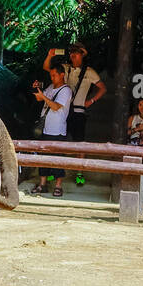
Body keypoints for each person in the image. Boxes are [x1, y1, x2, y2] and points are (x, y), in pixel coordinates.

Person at [42, 42, 105, 186]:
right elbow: (47, 68)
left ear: (83, 54)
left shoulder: (89, 72)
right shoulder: (65, 68)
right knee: (59, 142)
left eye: (76, 51)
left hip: (78, 111)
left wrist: (92, 100)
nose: (73, 54)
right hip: (63, 111)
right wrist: (49, 55)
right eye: (71, 51)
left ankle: (79, 174)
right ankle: (55, 171)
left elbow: (102, 88)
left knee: (79, 144)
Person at [31, 63, 73, 197]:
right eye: (51, 75)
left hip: (57, 130)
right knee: (43, 157)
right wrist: (37, 90)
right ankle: (42, 184)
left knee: (57, 158)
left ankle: (58, 186)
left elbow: (55, 107)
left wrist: (43, 97)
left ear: (62, 75)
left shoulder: (66, 90)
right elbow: (39, 98)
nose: (52, 77)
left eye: (54, 75)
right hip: (46, 128)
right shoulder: (50, 87)